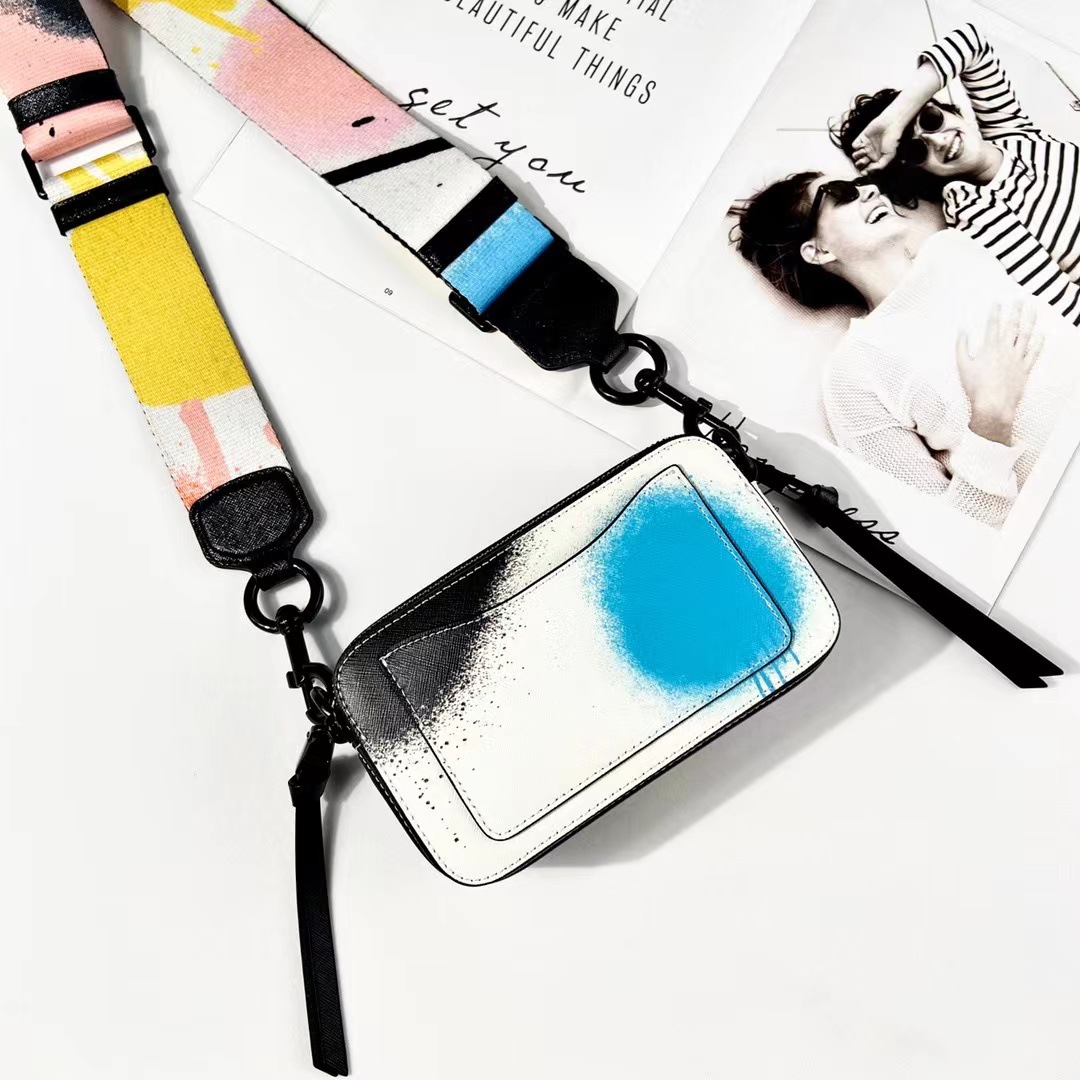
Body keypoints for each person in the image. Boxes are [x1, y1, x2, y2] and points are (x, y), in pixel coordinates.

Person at [731, 171, 1076, 528]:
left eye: (861, 182)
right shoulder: (853, 374)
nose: (868, 190)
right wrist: (991, 418)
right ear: (818, 250)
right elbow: (951, 534)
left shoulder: (957, 247)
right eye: (842, 193)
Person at [833, 23, 1080, 327]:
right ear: (916, 175)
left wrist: (897, 117)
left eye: (930, 118)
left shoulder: (1011, 130)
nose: (938, 140)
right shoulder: (974, 208)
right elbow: (1068, 310)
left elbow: (971, 42)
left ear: (950, 110)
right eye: (915, 151)